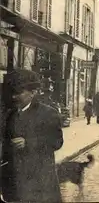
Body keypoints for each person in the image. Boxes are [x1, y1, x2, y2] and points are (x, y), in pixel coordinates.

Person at [1, 69, 64, 202]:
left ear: (33, 93)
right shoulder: (10, 114)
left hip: (40, 182)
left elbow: (57, 141)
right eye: (13, 93)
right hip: (16, 182)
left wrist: (28, 143)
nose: (14, 97)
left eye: (19, 93)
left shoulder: (48, 113)